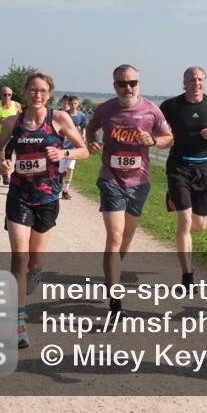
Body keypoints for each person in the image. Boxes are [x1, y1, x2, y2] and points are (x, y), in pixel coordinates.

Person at [0, 72, 88, 349]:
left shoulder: (58, 119)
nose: (38, 94)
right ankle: (18, 324)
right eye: (33, 90)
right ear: (25, 91)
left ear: (50, 94)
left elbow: (83, 150)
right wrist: (3, 163)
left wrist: (64, 154)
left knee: (35, 260)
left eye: (43, 90)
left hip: (47, 197)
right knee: (20, 257)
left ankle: (34, 273)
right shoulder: (13, 121)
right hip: (19, 195)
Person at [86, 64, 171, 313]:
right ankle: (115, 300)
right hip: (111, 179)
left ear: (138, 84)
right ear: (114, 86)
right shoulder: (105, 109)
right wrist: (92, 142)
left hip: (139, 183)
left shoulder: (151, 110)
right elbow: (91, 128)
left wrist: (153, 140)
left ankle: (112, 271)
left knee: (125, 238)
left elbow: (168, 138)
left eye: (132, 83)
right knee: (114, 237)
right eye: (122, 84)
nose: (128, 88)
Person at [159, 66, 207, 288]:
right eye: (191, 79)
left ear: (204, 81)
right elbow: (159, 132)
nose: (196, 83)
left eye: (199, 79)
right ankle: (187, 276)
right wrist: (166, 137)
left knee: (199, 225)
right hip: (178, 166)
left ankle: (176, 203)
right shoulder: (171, 106)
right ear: (184, 82)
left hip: (204, 168)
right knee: (185, 222)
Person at [0, 88, 22, 186]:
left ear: (11, 95)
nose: (7, 96)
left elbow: (22, 119)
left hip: (12, 135)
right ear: (1, 95)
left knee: (8, 155)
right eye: (4, 94)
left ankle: (5, 175)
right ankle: (1, 175)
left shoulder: (16, 105)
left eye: (9, 95)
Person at [59, 96, 87, 199]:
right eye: (71, 104)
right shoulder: (64, 114)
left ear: (78, 104)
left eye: (75, 103)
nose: (73, 105)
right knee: (61, 169)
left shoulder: (81, 115)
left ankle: (65, 190)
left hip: (74, 146)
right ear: (69, 104)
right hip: (63, 145)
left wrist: (83, 135)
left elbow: (83, 127)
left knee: (70, 167)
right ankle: (59, 180)